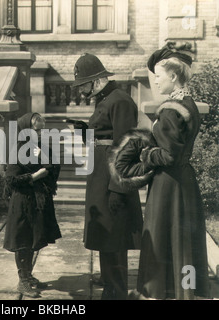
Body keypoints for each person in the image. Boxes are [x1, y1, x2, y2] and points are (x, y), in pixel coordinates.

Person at [126, 42, 210, 300]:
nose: (156, 82)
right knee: (182, 238)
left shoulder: (171, 111)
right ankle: (184, 289)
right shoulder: (189, 104)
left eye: (159, 76)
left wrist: (145, 154)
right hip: (184, 181)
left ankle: (159, 292)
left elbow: (169, 155)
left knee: (163, 237)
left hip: (168, 184)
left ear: (173, 76)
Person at [71, 53, 143, 300]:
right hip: (100, 174)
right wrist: (85, 132)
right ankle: (108, 282)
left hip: (112, 178)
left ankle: (117, 291)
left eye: (83, 85)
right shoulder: (104, 98)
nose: (81, 91)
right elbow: (104, 137)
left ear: (97, 80)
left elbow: (126, 147)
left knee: (115, 237)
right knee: (105, 233)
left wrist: (118, 189)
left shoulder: (119, 100)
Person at [3, 112, 62, 298]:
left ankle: (28, 276)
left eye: (41, 130)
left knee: (31, 239)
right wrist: (36, 176)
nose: (39, 133)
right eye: (36, 130)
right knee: (23, 240)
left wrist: (50, 167)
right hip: (23, 201)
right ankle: (23, 281)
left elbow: (51, 165)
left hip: (36, 200)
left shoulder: (38, 147)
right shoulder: (18, 149)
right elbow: (11, 179)